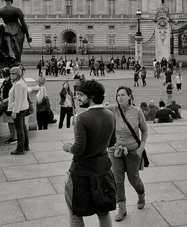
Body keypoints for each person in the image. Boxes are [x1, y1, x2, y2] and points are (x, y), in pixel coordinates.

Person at [63, 80, 117, 227]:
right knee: (103, 213)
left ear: (91, 96)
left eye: (81, 95)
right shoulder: (110, 115)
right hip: (103, 171)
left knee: (75, 213)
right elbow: (112, 142)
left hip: (81, 173)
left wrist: (67, 147)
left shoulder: (81, 118)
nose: (77, 98)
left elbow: (78, 149)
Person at [107, 86, 147, 222]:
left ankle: (141, 194)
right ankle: (122, 209)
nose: (120, 97)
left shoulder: (137, 111)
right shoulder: (112, 110)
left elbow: (145, 131)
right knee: (118, 181)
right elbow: (97, 110)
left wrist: (140, 148)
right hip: (115, 150)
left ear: (130, 96)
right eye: (118, 95)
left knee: (133, 179)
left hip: (132, 151)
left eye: (123, 95)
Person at [0, 0, 33, 69]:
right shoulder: (17, 10)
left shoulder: (0, 10)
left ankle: (2, 61)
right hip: (17, 29)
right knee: (18, 48)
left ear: (4, 0)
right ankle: (17, 61)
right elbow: (23, 24)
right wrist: (28, 35)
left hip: (6, 30)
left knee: (3, 45)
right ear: (12, 0)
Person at [7, 66, 30, 155]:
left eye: (14, 74)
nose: (11, 75)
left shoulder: (18, 84)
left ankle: (20, 148)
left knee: (19, 129)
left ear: (18, 74)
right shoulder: (20, 82)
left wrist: (14, 112)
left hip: (19, 109)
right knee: (23, 128)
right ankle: (25, 146)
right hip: (22, 108)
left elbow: (18, 99)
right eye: (10, 73)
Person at [0, 67, 17, 143]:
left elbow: (14, 94)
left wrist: (6, 99)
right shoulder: (6, 81)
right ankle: (12, 137)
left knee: (11, 122)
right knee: (10, 122)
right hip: (6, 105)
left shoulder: (10, 82)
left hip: (9, 105)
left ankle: (14, 137)